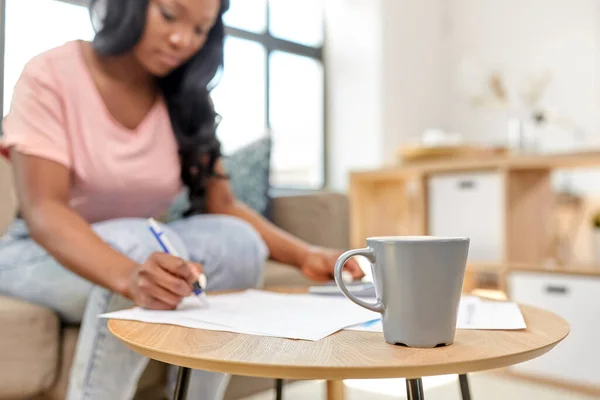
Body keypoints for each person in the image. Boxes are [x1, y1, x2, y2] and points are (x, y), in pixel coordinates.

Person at [0, 0, 364, 398]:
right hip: (38, 256)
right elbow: (44, 209)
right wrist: (130, 275)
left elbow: (223, 205)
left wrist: (305, 255)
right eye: (170, 16)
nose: (181, 40)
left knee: (238, 242)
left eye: (200, 29)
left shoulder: (187, 98)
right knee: (146, 243)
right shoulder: (51, 73)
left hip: (140, 250)